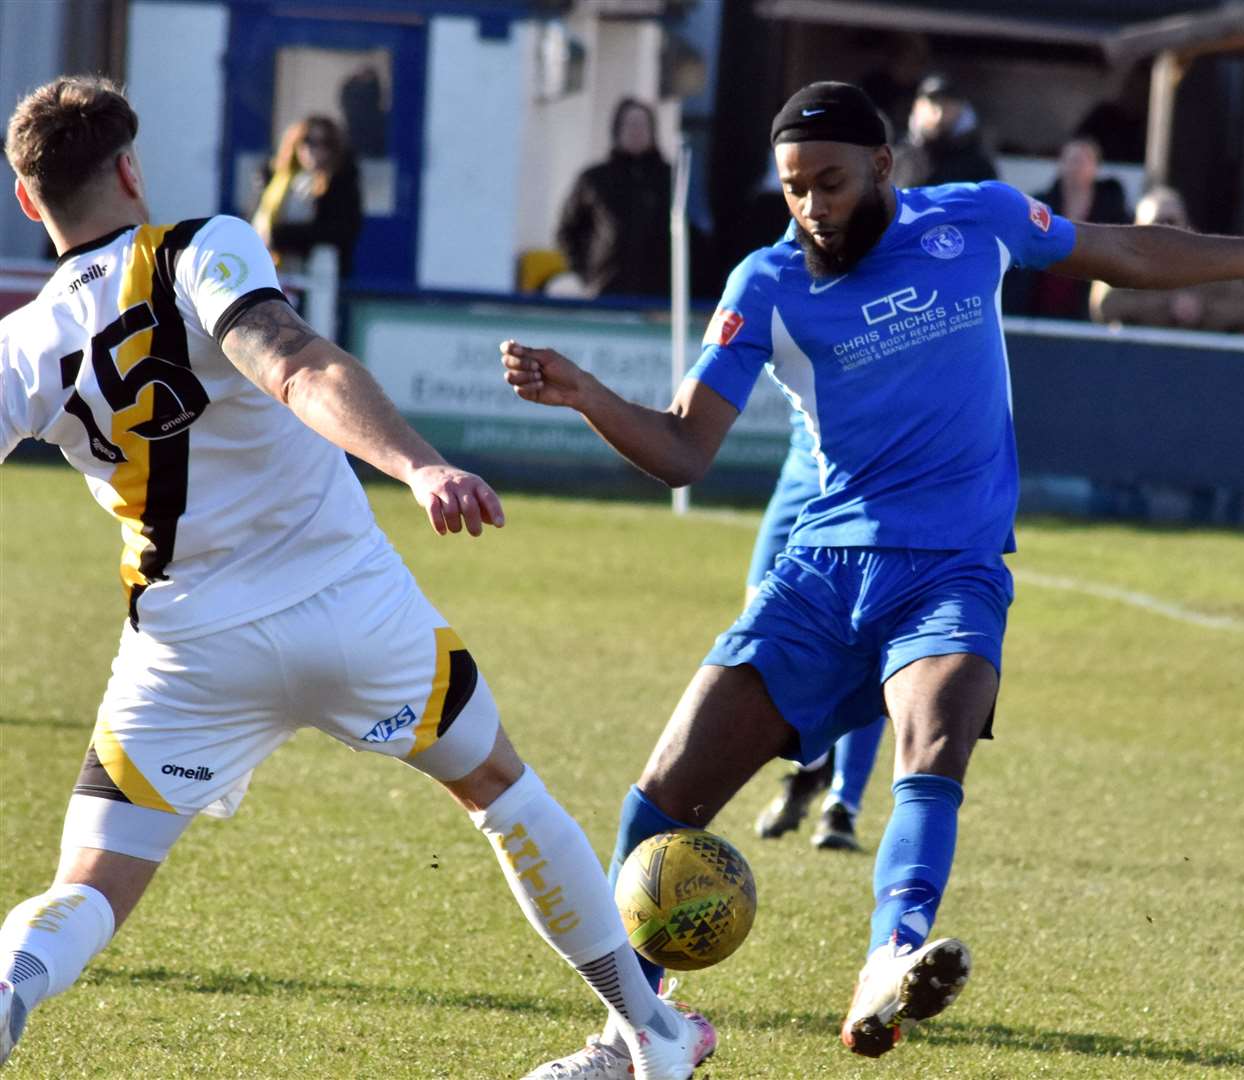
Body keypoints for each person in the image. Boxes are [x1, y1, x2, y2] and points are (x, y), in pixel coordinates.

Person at [501, 81, 1244, 1074]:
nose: (812, 206)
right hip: (821, 577)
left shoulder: (977, 221)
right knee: (661, 799)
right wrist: (590, 396)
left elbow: (1121, 249)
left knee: (933, 746)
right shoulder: (764, 286)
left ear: (885, 168)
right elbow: (687, 449)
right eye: (793, 189)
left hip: (950, 568)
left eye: (831, 182)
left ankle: (889, 960)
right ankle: (637, 1037)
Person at [0, 76, 714, 1080]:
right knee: (504, 795)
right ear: (128, 168)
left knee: (89, 882)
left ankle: (10, 987)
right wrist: (421, 466)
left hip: (185, 652)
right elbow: (290, 360)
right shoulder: (203, 247)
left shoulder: (23, 343)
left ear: (30, 201)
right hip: (352, 607)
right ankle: (649, 1030)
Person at [749, 419, 886, 853]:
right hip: (803, 472)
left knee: (865, 642)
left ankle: (842, 808)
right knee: (760, 637)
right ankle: (812, 766)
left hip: (871, 483)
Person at [1090, 187, 1244, 334]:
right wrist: (1167, 306)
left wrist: (1203, 309)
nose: (1164, 230)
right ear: (1139, 226)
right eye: (1157, 223)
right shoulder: (1124, 259)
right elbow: (1105, 305)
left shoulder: (1210, 259)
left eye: (1171, 222)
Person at [555, 98, 672, 298]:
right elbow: (567, 231)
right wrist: (586, 274)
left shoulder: (669, 178)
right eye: (630, 124)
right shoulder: (594, 179)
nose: (636, 131)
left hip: (657, 295)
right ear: (617, 130)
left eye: (642, 124)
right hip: (606, 289)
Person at [1025, 137, 1131, 320]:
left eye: (1083, 160)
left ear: (1096, 167)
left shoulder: (1113, 211)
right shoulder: (1038, 206)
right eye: (1072, 160)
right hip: (1041, 301)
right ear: (1060, 164)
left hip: (1087, 302)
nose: (1077, 167)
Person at [251, 115, 363, 277]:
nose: (315, 150)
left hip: (314, 272)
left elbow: (340, 230)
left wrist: (280, 236)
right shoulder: (274, 177)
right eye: (308, 141)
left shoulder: (340, 182)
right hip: (271, 268)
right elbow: (255, 217)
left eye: (325, 143)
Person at [893, 74, 997, 189]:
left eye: (948, 105)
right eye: (933, 103)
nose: (940, 113)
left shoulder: (976, 164)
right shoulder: (900, 158)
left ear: (961, 109)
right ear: (917, 106)